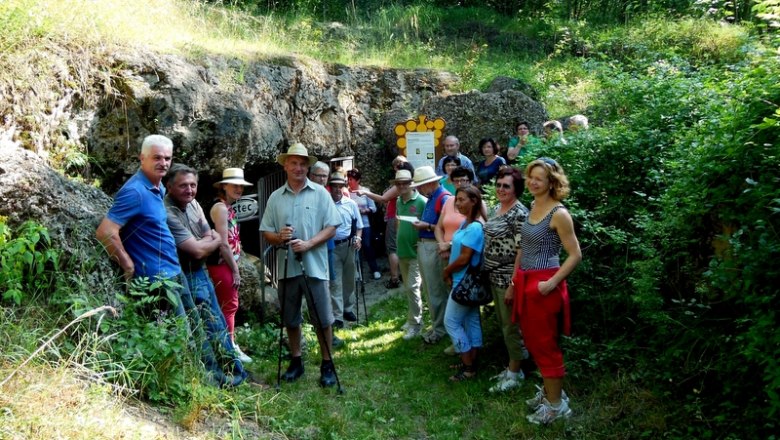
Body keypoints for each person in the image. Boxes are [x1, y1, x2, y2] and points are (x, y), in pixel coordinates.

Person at [95, 135, 242, 387]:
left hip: (175, 273)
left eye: (167, 158)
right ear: (142, 158)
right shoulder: (135, 191)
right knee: (182, 333)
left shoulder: (159, 188)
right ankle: (198, 386)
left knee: (195, 330)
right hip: (156, 279)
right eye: (156, 157)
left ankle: (217, 379)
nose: (163, 162)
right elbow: (105, 231)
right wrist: (128, 266)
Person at [260, 143, 342, 388]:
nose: (298, 168)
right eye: (293, 163)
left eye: (302, 163)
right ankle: (296, 361)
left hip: (315, 266)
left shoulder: (320, 193)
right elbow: (266, 232)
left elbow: (332, 226)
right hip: (286, 267)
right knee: (290, 318)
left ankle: (327, 363)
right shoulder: (275, 197)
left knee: (323, 318)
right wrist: (279, 237)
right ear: (285, 166)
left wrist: (308, 244)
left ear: (308, 166)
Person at [510, 157, 582, 424]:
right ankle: (552, 394)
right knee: (534, 342)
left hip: (544, 285)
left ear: (552, 182)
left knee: (545, 345)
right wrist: (516, 280)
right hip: (527, 283)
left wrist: (552, 283)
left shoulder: (559, 213)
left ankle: (556, 406)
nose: (532, 182)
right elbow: (525, 248)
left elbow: (575, 255)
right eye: (530, 176)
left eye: (539, 178)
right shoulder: (533, 205)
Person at [163, 164, 249, 384]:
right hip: (186, 273)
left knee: (217, 321)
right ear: (169, 186)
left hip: (201, 271)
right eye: (183, 185)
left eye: (193, 185)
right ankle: (215, 376)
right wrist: (207, 241)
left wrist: (206, 241)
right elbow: (199, 248)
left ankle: (234, 372)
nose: (189, 190)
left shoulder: (194, 204)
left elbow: (213, 236)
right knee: (201, 327)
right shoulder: (167, 211)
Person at [483, 167, 529, 393]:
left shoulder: (519, 213)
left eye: (506, 186)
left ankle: (515, 372)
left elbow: (522, 250)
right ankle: (512, 367)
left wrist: (513, 284)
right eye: (499, 184)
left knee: (511, 327)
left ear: (516, 189)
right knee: (503, 324)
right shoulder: (497, 208)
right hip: (494, 276)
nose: (501, 189)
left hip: (508, 279)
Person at [207, 167, 254, 364]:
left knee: (228, 306)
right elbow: (223, 242)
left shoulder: (228, 207)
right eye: (234, 185)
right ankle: (229, 348)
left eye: (241, 186)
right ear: (224, 186)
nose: (238, 189)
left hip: (226, 263)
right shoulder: (221, 208)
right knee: (229, 306)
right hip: (221, 265)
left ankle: (228, 345)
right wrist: (235, 270)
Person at [442, 185, 486, 381]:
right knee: (471, 321)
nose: (458, 203)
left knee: (451, 322)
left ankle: (468, 367)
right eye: (457, 200)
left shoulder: (475, 226)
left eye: (462, 199)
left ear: (474, 201)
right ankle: (472, 361)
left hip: (465, 283)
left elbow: (464, 257)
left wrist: (447, 270)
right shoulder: (465, 224)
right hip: (462, 280)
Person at [355, 156, 414, 289]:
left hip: (395, 216)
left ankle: (394, 278)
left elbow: (383, 198)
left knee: (392, 247)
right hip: (403, 216)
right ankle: (404, 274)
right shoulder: (410, 181)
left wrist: (365, 193)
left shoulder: (400, 183)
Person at [410, 165, 451, 345]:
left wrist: (425, 226)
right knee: (430, 288)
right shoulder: (433, 197)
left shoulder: (443, 199)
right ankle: (438, 325)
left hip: (434, 247)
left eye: (420, 186)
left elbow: (447, 229)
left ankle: (440, 329)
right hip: (426, 245)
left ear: (429, 184)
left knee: (436, 290)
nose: (418, 189)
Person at [393, 169, 427, 340]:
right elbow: (399, 223)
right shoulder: (399, 200)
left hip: (415, 251)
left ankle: (416, 324)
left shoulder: (421, 201)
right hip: (403, 250)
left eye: (405, 183)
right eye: (399, 183)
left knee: (413, 287)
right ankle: (411, 318)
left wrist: (421, 243)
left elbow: (428, 225)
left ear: (411, 183)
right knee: (408, 287)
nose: (401, 186)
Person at [328, 172, 363, 328]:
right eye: (334, 186)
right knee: (335, 281)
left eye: (340, 186)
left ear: (344, 187)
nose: (337, 189)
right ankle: (337, 316)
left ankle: (348, 309)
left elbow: (359, 226)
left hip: (349, 245)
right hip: (332, 246)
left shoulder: (351, 204)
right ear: (330, 187)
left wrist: (358, 238)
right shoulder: (326, 204)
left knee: (349, 278)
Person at [347, 168, 381, 280]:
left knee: (367, 246)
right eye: (348, 179)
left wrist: (365, 211)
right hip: (351, 225)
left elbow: (374, 208)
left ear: (358, 181)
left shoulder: (365, 191)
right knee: (353, 248)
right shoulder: (346, 192)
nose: (349, 181)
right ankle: (356, 272)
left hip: (365, 224)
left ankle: (375, 269)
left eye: (351, 179)